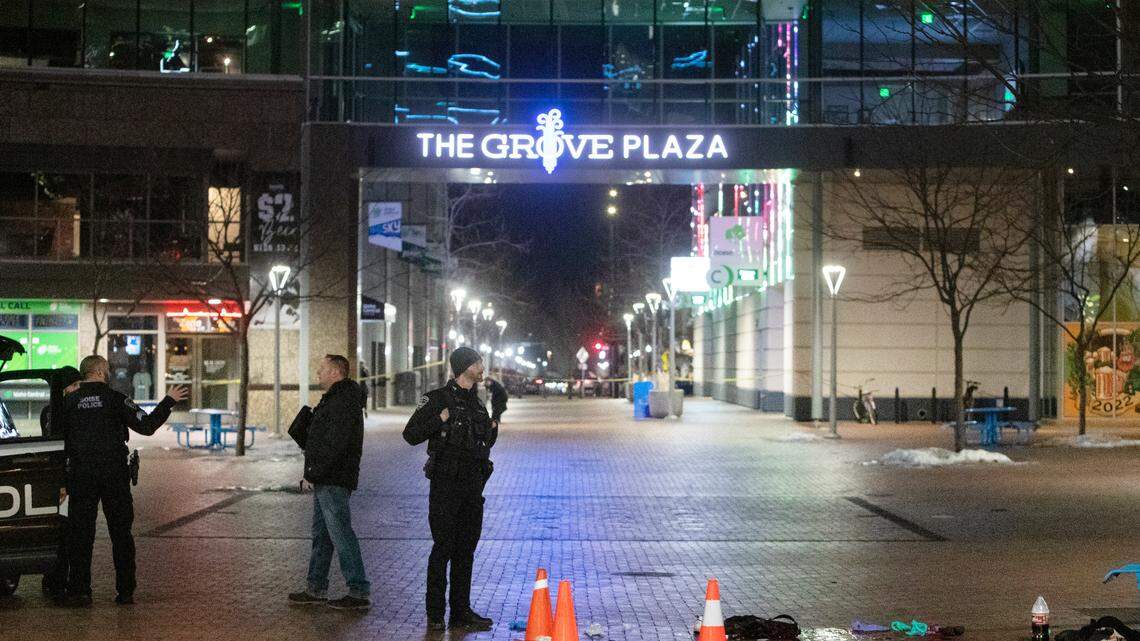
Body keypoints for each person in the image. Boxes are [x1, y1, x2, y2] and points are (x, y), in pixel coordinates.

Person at [57, 355, 188, 607]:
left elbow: (59, 441)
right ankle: (125, 591)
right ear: (99, 371)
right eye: (106, 369)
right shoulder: (116, 399)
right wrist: (168, 401)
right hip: (113, 476)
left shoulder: (69, 402)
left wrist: (62, 479)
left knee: (81, 535)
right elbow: (147, 425)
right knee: (121, 534)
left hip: (81, 475)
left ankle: (80, 590)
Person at [403, 346, 506, 631]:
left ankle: (461, 612)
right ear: (464, 367)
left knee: (466, 551)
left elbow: (481, 444)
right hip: (446, 486)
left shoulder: (477, 403)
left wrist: (492, 429)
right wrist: (440, 419)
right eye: (478, 362)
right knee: (443, 549)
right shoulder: (437, 399)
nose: (482, 367)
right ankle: (435, 613)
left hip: (473, 487)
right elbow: (410, 434)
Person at [288, 354, 371, 610]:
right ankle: (316, 586)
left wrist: (312, 472)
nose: (318, 374)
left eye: (322, 369)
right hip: (328, 476)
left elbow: (334, 445)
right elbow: (322, 439)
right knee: (322, 534)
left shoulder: (342, 402)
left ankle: (358, 590)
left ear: (335, 372)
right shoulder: (336, 400)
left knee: (340, 533)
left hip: (333, 478)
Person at [39, 366, 83, 603]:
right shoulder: (56, 412)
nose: (77, 390)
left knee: (68, 531)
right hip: (62, 479)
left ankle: (57, 579)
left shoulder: (62, 409)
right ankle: (55, 580)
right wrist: (62, 482)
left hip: (70, 478)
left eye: (79, 385)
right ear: (63, 389)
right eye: (73, 386)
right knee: (63, 531)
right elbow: (58, 448)